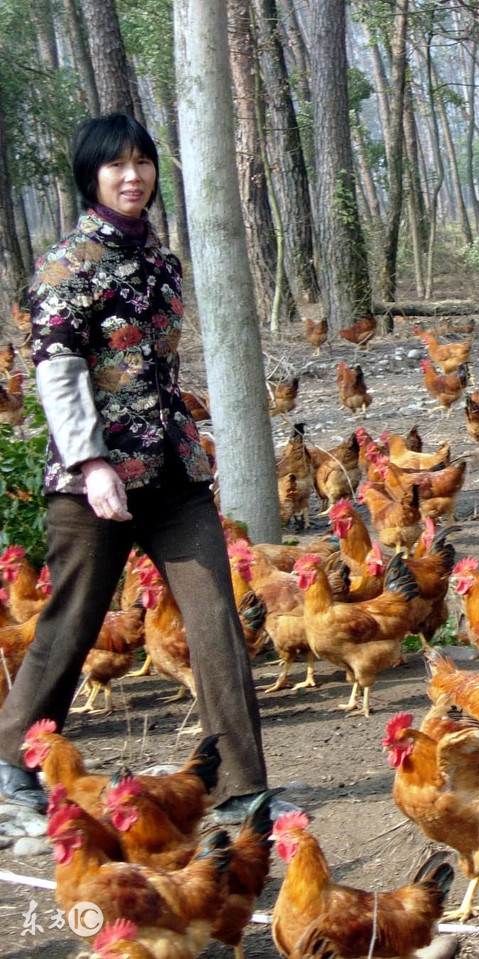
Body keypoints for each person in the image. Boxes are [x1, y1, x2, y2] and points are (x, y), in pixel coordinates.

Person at [0, 113, 297, 824]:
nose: (133, 176)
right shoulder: (65, 267)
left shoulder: (161, 261)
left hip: (175, 474)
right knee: (71, 621)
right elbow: (60, 374)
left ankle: (240, 786)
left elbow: (155, 367)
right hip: (93, 481)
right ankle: (10, 765)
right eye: (116, 166)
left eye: (143, 163)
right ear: (91, 176)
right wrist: (94, 463)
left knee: (215, 618)